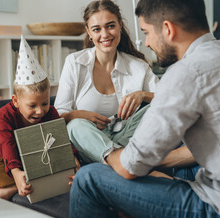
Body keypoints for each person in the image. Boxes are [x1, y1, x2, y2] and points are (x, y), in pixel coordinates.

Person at [69, 0, 220, 218]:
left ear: (167, 29)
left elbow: (128, 167)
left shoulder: (186, 73)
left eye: (146, 32)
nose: (145, 42)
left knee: (88, 178)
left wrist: (109, 157)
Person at [54, 0, 159, 164]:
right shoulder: (74, 63)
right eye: (96, 29)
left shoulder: (139, 66)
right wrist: (81, 115)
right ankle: (117, 159)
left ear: (120, 26)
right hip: (88, 142)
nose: (105, 34)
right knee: (74, 126)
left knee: (155, 108)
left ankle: (116, 159)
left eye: (110, 26)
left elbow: (168, 99)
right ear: (88, 32)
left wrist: (142, 95)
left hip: (127, 137)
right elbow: (58, 116)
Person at [0, 36, 78, 200]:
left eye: (45, 103)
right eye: (32, 106)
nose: (40, 111)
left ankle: (13, 188)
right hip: (9, 164)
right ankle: (20, 182)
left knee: (66, 165)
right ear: (16, 101)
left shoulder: (51, 113)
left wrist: (73, 160)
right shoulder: (4, 115)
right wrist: (17, 173)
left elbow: (62, 141)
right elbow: (7, 145)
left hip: (41, 163)